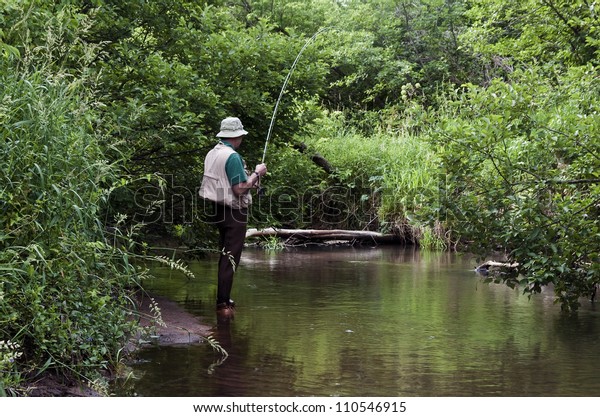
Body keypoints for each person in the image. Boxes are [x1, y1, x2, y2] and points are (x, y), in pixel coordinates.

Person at [199, 117, 267, 317]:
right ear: (236, 136)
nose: (242, 139)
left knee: (225, 253)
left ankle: (224, 298)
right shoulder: (233, 156)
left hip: (217, 209)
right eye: (241, 136)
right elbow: (239, 189)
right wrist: (257, 173)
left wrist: (250, 180)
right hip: (233, 213)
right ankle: (222, 304)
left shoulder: (213, 153)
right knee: (231, 257)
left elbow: (226, 181)